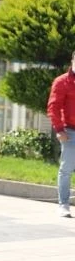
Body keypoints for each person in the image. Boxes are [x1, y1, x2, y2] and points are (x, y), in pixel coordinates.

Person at [47, 50, 75, 218]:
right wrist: (59, 130)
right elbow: (53, 107)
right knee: (67, 169)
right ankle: (63, 204)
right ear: (72, 60)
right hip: (69, 131)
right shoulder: (62, 82)